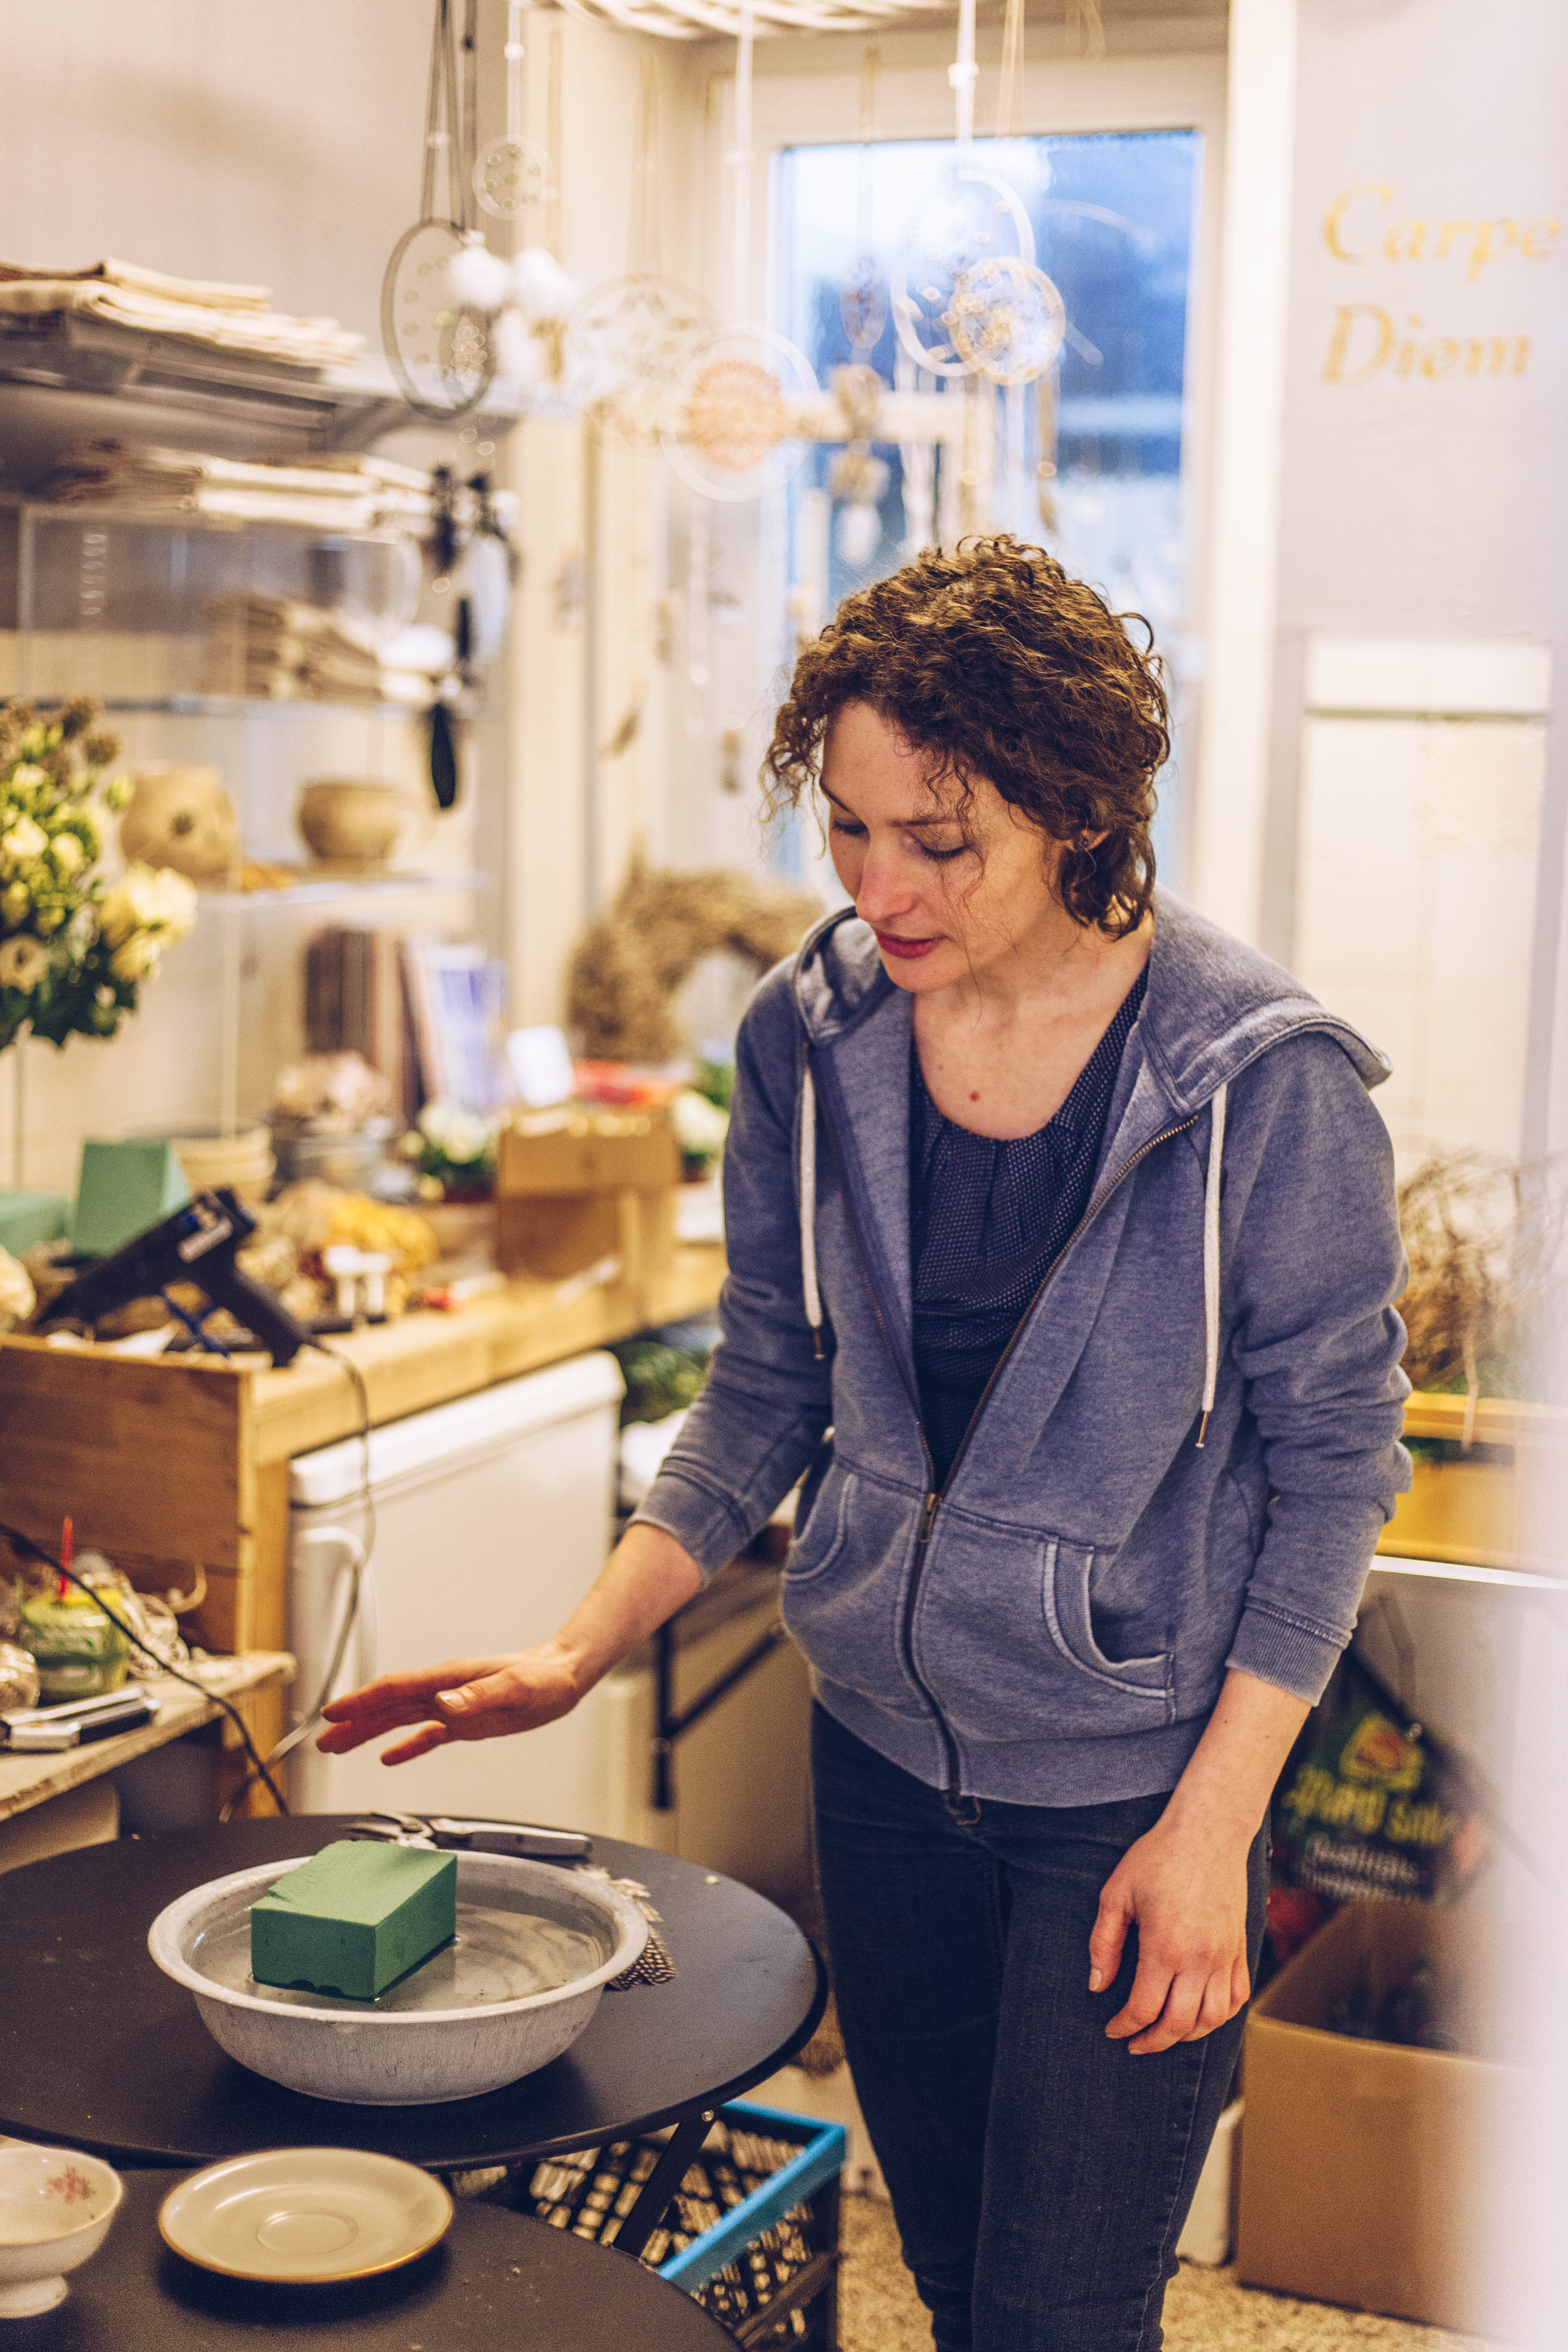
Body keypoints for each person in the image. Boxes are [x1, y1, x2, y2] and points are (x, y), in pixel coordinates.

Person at [320, 536, 1410, 2351]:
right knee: (959, 2286)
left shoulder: (1263, 1089)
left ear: (1076, 810)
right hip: (883, 1773)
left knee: (1061, 2322)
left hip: (1127, 1800)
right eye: (847, 828)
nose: (878, 891)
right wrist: (577, 1650)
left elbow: (1335, 1473)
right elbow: (764, 1388)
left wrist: (1215, 1829)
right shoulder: (808, 1040)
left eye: (940, 841)